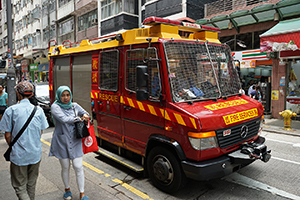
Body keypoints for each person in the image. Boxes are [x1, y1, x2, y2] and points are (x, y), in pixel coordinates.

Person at [0, 81, 49, 200]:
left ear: (18, 93)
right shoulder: (39, 110)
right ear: (31, 94)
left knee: (20, 186)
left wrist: (14, 146)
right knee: (31, 185)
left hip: (19, 155)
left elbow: (7, 135)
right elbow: (40, 132)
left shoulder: (11, 110)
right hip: (35, 154)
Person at [49, 86, 90, 200]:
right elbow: (64, 119)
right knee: (65, 167)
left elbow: (85, 113)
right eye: (63, 95)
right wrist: (78, 118)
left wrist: (86, 115)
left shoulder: (74, 105)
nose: (66, 98)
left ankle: (82, 193)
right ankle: (67, 190)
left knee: (78, 166)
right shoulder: (55, 106)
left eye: (68, 95)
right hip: (62, 141)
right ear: (59, 96)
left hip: (75, 140)